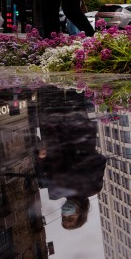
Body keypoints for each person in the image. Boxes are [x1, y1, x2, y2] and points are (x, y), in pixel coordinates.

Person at [35, 85, 107, 230]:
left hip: (52, 130)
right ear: (81, 213)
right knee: (73, 87)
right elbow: (100, 161)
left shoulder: (56, 191)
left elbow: (46, 168)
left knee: (47, 89)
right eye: (70, 217)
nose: (66, 214)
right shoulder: (93, 188)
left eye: (64, 217)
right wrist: (78, 165)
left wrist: (41, 157)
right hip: (77, 131)